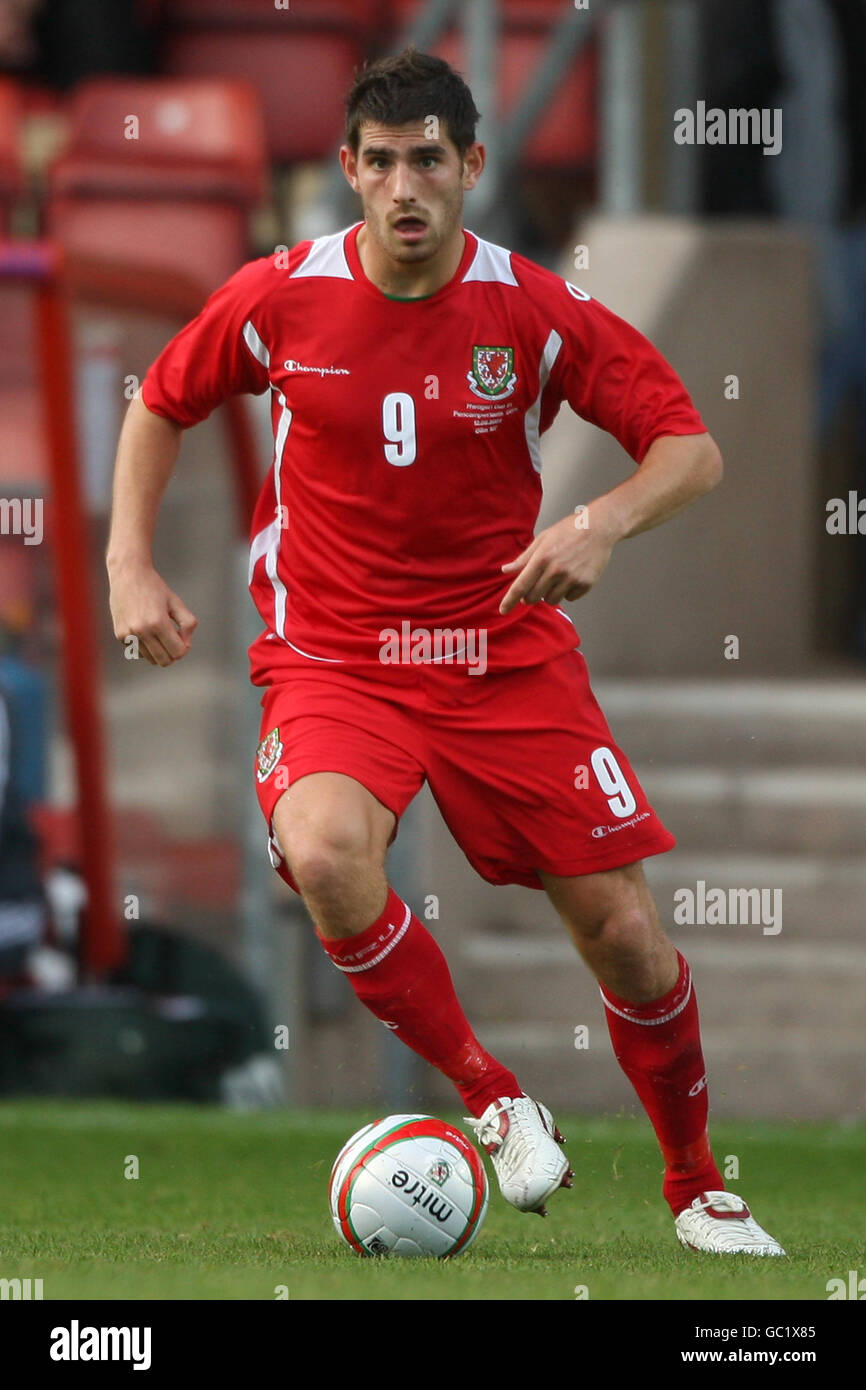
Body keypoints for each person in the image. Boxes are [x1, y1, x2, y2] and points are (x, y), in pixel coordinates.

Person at [107, 48, 784, 1255]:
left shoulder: (526, 305)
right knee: (322, 849)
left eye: (429, 159)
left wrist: (598, 520)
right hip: (335, 659)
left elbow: (688, 446)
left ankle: (697, 1188)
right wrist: (128, 564)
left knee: (623, 933)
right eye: (381, 162)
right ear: (349, 172)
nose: (405, 185)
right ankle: (491, 1095)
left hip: (500, 656)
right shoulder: (279, 294)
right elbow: (159, 400)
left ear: (472, 166)